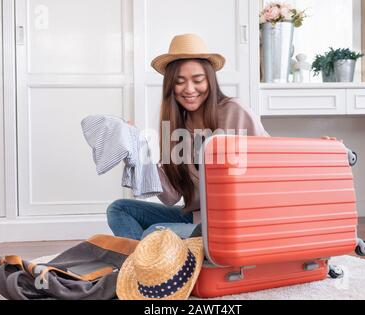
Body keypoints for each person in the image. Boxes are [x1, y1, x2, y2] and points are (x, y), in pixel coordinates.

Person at [107, 34, 268, 240]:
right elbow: (170, 197)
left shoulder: (234, 111)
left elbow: (269, 157)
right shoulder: (175, 125)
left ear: (209, 80)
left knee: (153, 234)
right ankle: (146, 260)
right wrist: (136, 148)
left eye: (198, 80)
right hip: (196, 219)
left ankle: (152, 257)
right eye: (180, 82)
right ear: (170, 87)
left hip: (232, 221)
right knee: (119, 209)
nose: (189, 89)